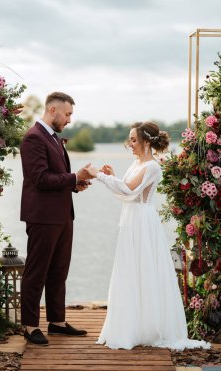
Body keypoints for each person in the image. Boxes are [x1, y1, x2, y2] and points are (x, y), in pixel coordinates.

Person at [86, 121, 210, 350]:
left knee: (144, 269)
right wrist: (113, 176)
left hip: (143, 222)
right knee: (130, 270)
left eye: (133, 140)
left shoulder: (152, 166)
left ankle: (148, 327)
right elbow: (126, 192)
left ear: (145, 142)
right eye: (130, 140)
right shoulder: (136, 163)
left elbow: (129, 191)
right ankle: (133, 326)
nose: (130, 144)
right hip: (131, 219)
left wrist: (99, 176)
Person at [20, 91, 93, 345]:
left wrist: (75, 185)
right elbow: (40, 178)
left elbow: (55, 176)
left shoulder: (52, 138)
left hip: (62, 215)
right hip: (42, 216)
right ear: (53, 110)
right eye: (68, 114)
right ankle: (30, 326)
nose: (70, 120)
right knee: (36, 271)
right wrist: (74, 177)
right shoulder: (33, 138)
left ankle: (57, 322)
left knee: (59, 270)